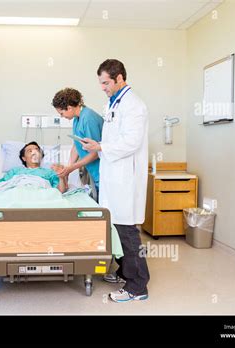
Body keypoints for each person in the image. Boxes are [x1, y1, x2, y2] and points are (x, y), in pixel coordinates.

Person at [81, 59, 150, 302]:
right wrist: (98, 146)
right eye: (100, 83)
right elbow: (111, 141)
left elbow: (132, 142)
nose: (102, 87)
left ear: (119, 78)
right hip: (114, 176)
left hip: (125, 179)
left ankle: (138, 286)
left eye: (106, 82)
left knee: (127, 232)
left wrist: (101, 146)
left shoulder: (134, 105)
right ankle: (124, 272)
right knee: (117, 229)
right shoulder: (113, 104)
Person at [52, 88, 103, 197]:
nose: (62, 116)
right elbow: (77, 144)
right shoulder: (77, 118)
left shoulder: (88, 118)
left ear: (69, 108)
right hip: (94, 171)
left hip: (103, 171)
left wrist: (72, 167)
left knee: (106, 209)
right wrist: (68, 168)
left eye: (62, 113)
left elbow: (95, 153)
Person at [0, 141, 68, 193]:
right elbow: (0, 186)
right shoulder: (15, 171)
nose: (34, 153)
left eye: (37, 150)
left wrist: (61, 176)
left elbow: (60, 192)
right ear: (24, 158)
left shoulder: (50, 172)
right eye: (30, 151)